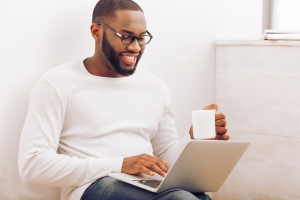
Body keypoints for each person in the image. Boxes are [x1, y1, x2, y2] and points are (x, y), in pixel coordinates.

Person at [18, 0, 228, 200]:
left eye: (141, 37)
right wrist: (119, 165)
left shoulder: (155, 87)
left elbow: (165, 157)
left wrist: (193, 140)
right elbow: (32, 164)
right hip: (94, 186)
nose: (136, 47)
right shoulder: (57, 83)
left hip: (149, 185)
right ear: (96, 32)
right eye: (126, 37)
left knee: (198, 197)